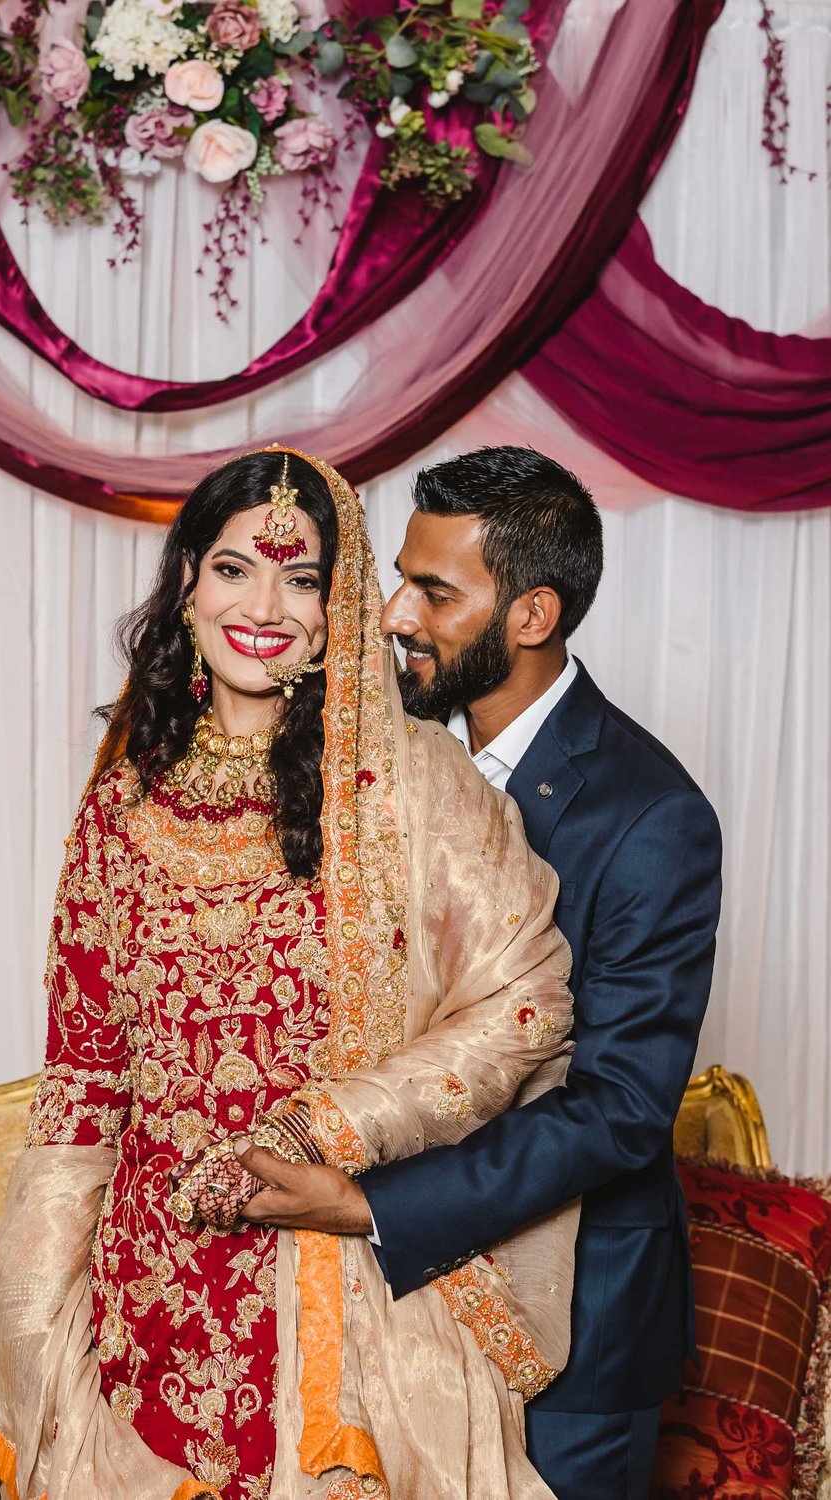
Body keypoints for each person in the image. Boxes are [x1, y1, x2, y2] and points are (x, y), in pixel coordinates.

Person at [0, 446, 581, 1500]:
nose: (267, 606)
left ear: (340, 612)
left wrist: (321, 1130)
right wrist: (32, 1306)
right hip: (142, 1285)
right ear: (188, 579)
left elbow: (522, 1004)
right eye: (237, 568)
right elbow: (85, 1081)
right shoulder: (118, 812)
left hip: (334, 1272)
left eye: (303, 580)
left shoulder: (405, 789)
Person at [237, 446, 723, 1500]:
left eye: (436, 592)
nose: (396, 614)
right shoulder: (384, 756)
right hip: (371, 1300)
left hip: (575, 1336)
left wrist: (370, 1208)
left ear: (532, 616)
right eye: (401, 578)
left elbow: (621, 1109)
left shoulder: (650, 817)